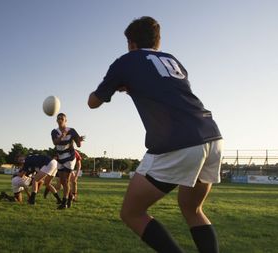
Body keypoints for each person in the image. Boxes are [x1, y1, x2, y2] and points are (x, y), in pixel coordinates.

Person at [88, 16, 223, 253]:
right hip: (212, 136)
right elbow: (165, 92)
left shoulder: (126, 61)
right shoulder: (173, 61)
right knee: (193, 210)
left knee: (131, 212)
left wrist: (116, 83)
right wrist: (132, 87)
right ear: (158, 42)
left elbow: (93, 102)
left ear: (130, 43)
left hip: (178, 143)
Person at [51, 113, 84, 209]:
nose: (60, 119)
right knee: (62, 181)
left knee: (66, 180)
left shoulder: (72, 131)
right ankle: (70, 198)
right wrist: (62, 136)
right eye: (58, 118)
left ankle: (64, 203)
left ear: (65, 120)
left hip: (70, 157)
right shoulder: (54, 131)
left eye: (62, 118)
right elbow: (55, 142)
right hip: (60, 158)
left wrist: (79, 140)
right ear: (57, 121)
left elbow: (78, 145)